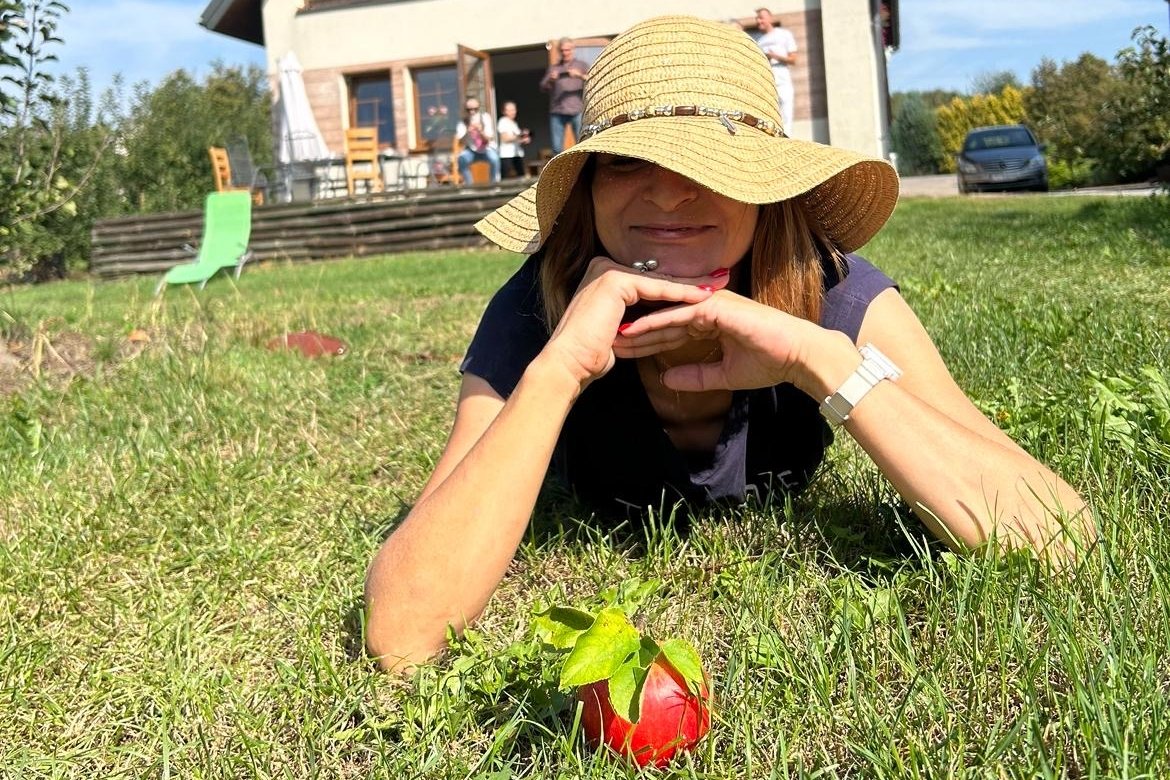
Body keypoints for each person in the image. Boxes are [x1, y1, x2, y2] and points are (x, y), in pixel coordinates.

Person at [364, 15, 1093, 672]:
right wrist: (559, 367)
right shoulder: (539, 303)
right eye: (628, 162)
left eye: (710, 162)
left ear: (764, 186)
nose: (670, 194)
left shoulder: (836, 290)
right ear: (587, 186)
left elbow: (1061, 535)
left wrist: (820, 358)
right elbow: (403, 628)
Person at [754, 8, 798, 134]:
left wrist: (774, 56)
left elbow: (793, 59)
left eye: (761, 17)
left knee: (786, 110)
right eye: (757, 18)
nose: (758, 21)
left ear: (770, 18)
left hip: (781, 75)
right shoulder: (759, 41)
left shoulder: (784, 35)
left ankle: (786, 138)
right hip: (765, 79)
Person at [540, 37, 588, 154]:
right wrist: (551, 79)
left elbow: (593, 80)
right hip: (557, 111)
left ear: (573, 49)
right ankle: (560, 171)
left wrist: (579, 75)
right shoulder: (554, 68)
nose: (565, 53)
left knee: (582, 144)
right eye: (562, 50)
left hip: (577, 110)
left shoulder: (581, 65)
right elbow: (543, 87)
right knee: (556, 148)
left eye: (568, 50)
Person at [455, 97, 501, 184]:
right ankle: (470, 185)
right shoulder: (463, 122)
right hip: (472, 150)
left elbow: (489, 138)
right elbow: (460, 141)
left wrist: (480, 131)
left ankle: (494, 184)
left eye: (475, 109)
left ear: (479, 108)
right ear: (465, 110)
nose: (472, 112)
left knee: (494, 159)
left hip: (487, 149)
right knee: (461, 159)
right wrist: (467, 131)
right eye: (469, 110)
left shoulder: (485, 117)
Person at [496, 101, 531, 179]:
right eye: (510, 110)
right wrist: (520, 134)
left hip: (517, 154)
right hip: (507, 155)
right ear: (504, 111)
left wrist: (523, 140)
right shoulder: (503, 122)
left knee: (521, 178)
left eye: (514, 110)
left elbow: (515, 140)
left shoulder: (514, 123)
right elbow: (504, 138)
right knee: (507, 180)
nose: (513, 112)